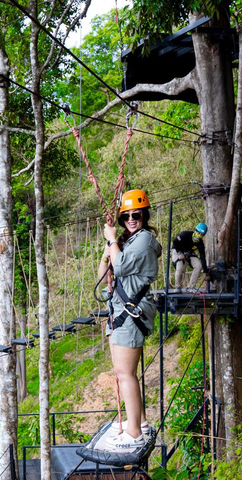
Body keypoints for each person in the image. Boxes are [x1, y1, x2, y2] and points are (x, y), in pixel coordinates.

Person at [98, 189, 161, 452]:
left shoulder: (144, 241)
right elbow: (104, 273)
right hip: (121, 311)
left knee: (126, 375)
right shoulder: (128, 240)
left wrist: (113, 241)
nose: (131, 220)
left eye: (137, 215)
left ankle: (133, 431)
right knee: (122, 374)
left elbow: (121, 267)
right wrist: (109, 245)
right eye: (127, 216)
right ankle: (140, 422)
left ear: (145, 215)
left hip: (131, 314)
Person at [171, 222, 209, 290]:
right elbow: (175, 242)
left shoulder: (200, 244)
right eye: (199, 233)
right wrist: (180, 253)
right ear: (196, 231)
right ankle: (178, 287)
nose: (199, 235)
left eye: (202, 235)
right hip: (177, 250)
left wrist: (205, 271)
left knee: (198, 265)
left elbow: (202, 257)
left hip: (189, 253)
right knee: (180, 265)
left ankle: (191, 287)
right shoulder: (185, 234)